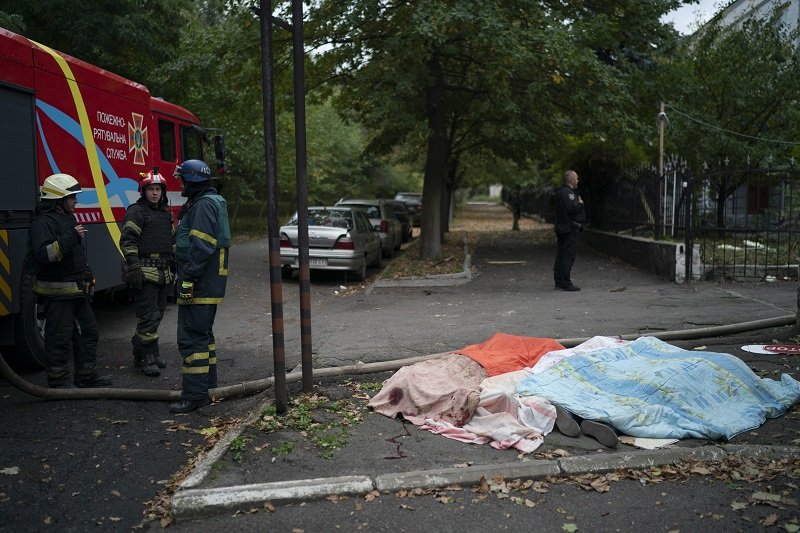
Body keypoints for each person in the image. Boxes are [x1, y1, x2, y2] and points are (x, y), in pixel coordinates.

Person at [29, 173, 112, 388]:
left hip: (76, 289)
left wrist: (87, 274)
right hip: (57, 292)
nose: (76, 201)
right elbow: (46, 255)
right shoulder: (42, 223)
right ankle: (58, 382)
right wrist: (70, 237)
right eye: (72, 197)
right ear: (58, 199)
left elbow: (76, 254)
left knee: (88, 331)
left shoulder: (68, 219)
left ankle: (86, 376)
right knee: (59, 337)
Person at [169, 160, 230, 414]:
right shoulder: (210, 201)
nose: (181, 185)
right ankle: (208, 387)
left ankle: (195, 396)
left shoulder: (203, 205)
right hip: (209, 282)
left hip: (201, 283)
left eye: (182, 180)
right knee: (203, 336)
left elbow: (202, 246)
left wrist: (188, 279)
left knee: (191, 339)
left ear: (191, 181)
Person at [119, 169, 174, 377]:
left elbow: (171, 240)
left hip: (163, 272)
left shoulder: (165, 214)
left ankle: (146, 351)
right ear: (144, 191)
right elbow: (128, 241)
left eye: (158, 189)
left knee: (157, 316)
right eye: (151, 189)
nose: (155, 193)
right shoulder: (137, 212)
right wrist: (134, 266)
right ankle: (147, 358)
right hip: (144, 272)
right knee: (148, 317)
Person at [553, 170, 585, 291]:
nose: (578, 180)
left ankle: (559, 281)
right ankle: (565, 282)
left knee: (561, 255)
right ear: (571, 180)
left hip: (563, 227)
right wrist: (580, 204)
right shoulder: (568, 193)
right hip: (569, 229)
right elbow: (572, 209)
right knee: (568, 256)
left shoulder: (560, 192)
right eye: (576, 178)